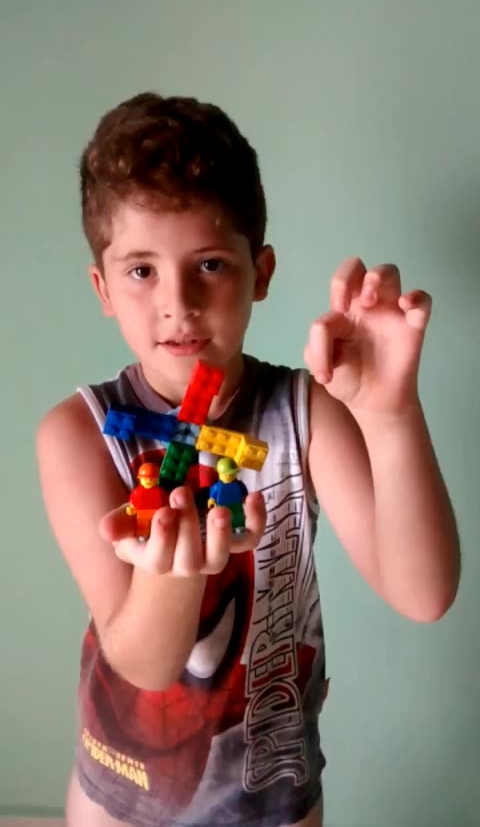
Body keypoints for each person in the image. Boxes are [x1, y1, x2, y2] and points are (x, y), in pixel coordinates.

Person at [36, 92, 460, 827]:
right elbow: (143, 666)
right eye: (141, 270)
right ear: (102, 287)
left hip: (276, 796)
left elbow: (423, 596)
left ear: (260, 273)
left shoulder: (304, 412)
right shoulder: (80, 434)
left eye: (209, 264)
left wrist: (390, 414)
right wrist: (177, 568)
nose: (178, 303)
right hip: (123, 801)